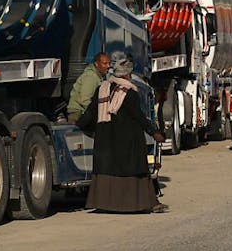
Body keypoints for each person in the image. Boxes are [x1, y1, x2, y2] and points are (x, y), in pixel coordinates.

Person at [76, 54, 168, 213]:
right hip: (127, 141)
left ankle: (107, 204)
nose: (130, 77)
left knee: (108, 169)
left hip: (105, 141)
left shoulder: (103, 88)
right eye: (130, 74)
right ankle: (142, 203)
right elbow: (138, 116)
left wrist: (78, 124)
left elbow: (91, 112)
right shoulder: (129, 92)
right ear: (126, 75)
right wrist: (154, 132)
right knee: (134, 170)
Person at [63, 52, 110, 123]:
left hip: (83, 113)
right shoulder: (91, 77)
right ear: (96, 64)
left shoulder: (98, 76)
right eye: (105, 63)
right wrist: (99, 112)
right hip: (79, 114)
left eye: (109, 63)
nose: (108, 66)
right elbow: (85, 100)